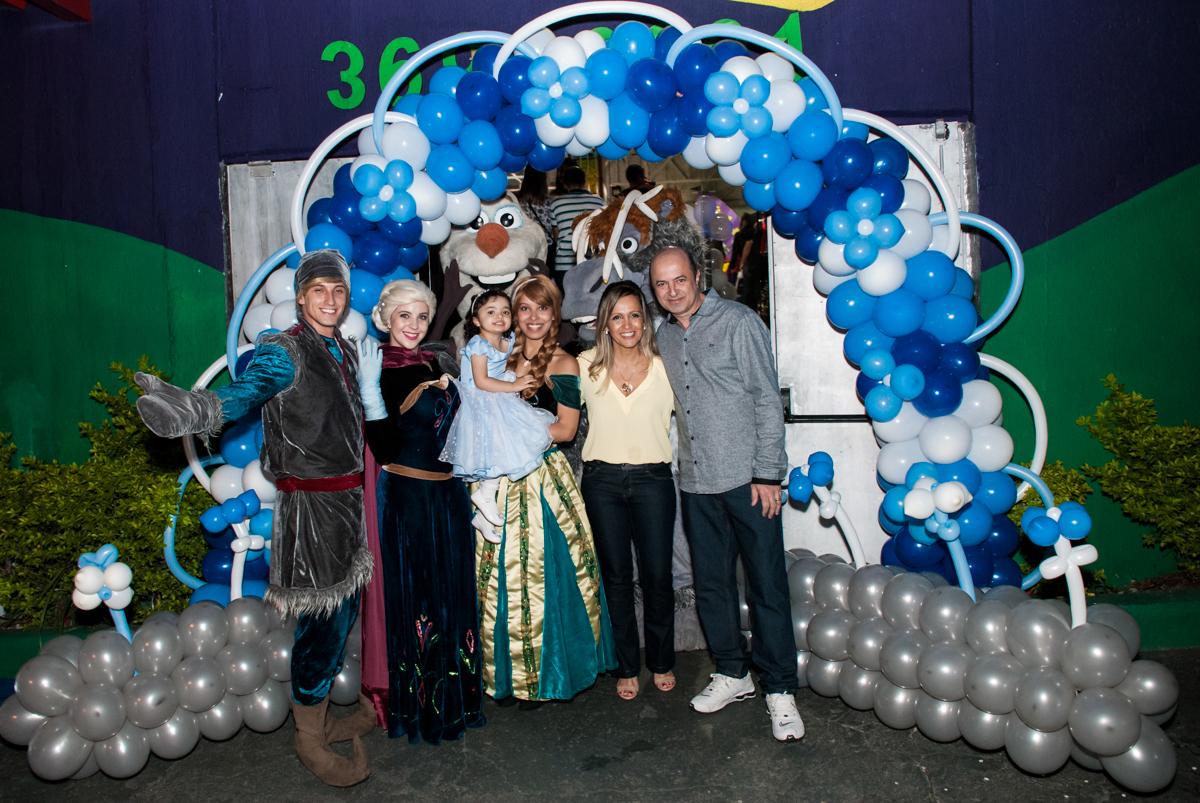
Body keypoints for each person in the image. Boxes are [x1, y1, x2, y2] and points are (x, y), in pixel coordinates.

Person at [134, 250, 374, 785]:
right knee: (322, 626)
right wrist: (197, 409)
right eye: (319, 290)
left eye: (338, 290)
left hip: (349, 507)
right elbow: (246, 390)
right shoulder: (284, 350)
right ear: (301, 296)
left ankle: (323, 718)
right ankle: (309, 736)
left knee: (344, 614)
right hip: (311, 511)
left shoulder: (342, 347)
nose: (330, 299)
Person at [648, 246, 804, 742]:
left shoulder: (739, 322)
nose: (672, 291)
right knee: (711, 585)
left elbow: (767, 399)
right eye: (661, 284)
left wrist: (768, 473)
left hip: (748, 481)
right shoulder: (663, 336)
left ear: (698, 276)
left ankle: (780, 689)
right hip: (696, 481)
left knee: (766, 586)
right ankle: (733, 673)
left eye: (679, 279)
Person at [474, 274, 617, 708]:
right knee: (497, 578)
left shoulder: (563, 363)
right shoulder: (497, 356)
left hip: (540, 482)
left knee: (540, 576)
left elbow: (567, 429)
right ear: (513, 315)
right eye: (524, 308)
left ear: (555, 314)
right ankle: (503, 673)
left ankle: (543, 675)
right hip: (496, 480)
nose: (533, 317)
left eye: (542, 308)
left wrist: (511, 435)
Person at [357, 279, 487, 744]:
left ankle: (457, 705)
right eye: (403, 316)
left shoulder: (434, 362)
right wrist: (370, 395)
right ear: (386, 319)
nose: (413, 325)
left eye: (421, 316)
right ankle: (422, 712)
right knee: (421, 605)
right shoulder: (380, 368)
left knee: (454, 597)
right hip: (408, 499)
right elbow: (385, 449)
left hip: (448, 498)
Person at [577, 281, 677, 701]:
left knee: (657, 576)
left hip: (653, 481)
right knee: (616, 578)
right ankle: (626, 665)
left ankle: (662, 660)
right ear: (604, 323)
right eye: (617, 317)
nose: (627, 324)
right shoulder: (584, 365)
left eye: (635, 314)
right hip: (601, 482)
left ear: (646, 320)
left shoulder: (666, 366)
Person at [439, 289, 556, 541]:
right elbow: (481, 381)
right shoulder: (478, 344)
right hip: (479, 399)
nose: (499, 316)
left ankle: (483, 510)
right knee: (495, 449)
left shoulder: (507, 339)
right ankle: (484, 495)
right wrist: (514, 385)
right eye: (490, 312)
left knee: (506, 446)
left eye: (504, 312)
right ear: (476, 320)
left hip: (497, 396)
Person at [549, 165, 604, 281]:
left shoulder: (556, 204)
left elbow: (556, 237)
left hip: (564, 264)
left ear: (565, 184)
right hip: (592, 261)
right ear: (584, 183)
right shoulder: (598, 202)